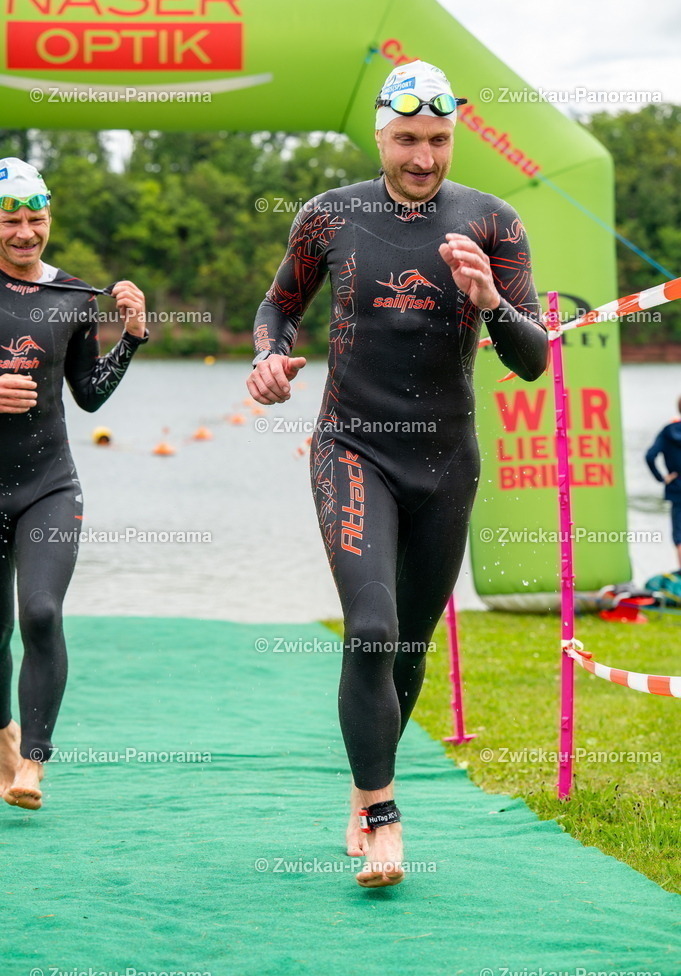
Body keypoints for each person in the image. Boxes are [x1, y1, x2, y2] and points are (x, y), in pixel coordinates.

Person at [247, 61, 548, 887]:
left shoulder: (492, 221)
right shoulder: (328, 216)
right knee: (372, 628)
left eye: (439, 140)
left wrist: (489, 301)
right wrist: (268, 356)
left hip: (445, 460)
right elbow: (279, 306)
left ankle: (361, 785)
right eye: (407, 139)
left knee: (408, 643)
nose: (423, 157)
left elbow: (531, 360)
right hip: (352, 447)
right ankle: (383, 812)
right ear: (379, 134)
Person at [0, 157, 148, 810]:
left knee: (40, 612)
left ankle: (33, 761)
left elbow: (88, 394)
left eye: (35, 219)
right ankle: (4, 736)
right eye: (10, 220)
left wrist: (132, 338)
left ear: (49, 219)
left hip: (48, 486)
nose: (24, 233)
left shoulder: (74, 297)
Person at [645, 402, 681, 571]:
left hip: (676, 487)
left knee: (679, 534)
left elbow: (650, 456)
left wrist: (661, 478)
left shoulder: (667, 431)